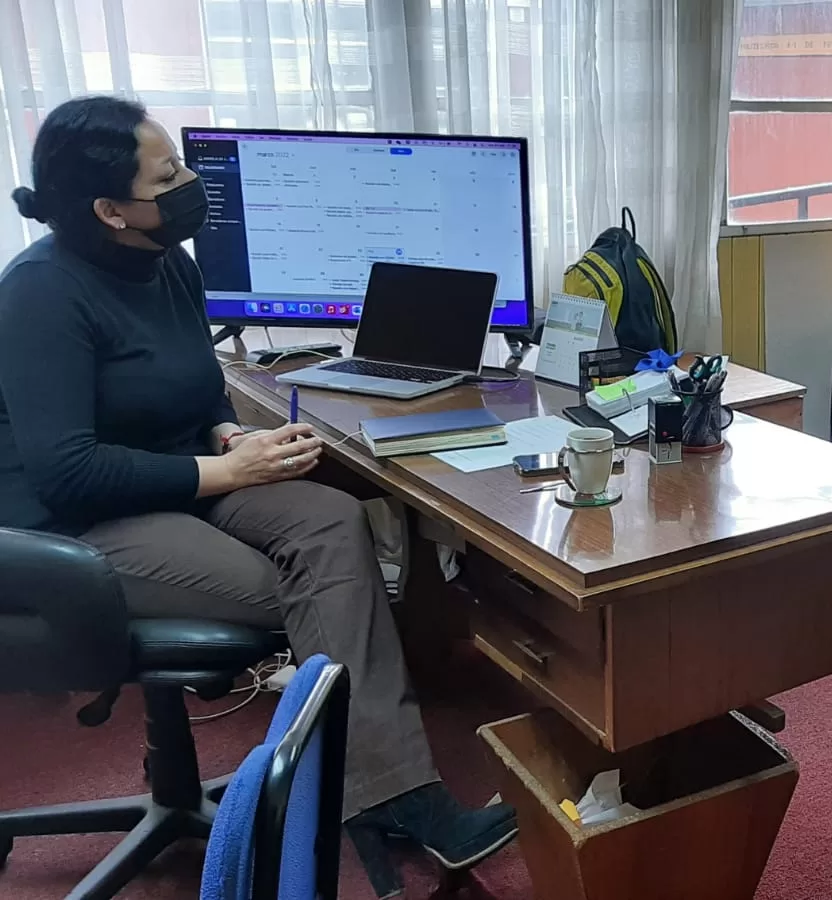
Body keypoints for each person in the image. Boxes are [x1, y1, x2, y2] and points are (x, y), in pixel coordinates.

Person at [0, 96, 515, 897]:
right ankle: (378, 790)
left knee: (334, 522)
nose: (189, 182)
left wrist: (227, 434)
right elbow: (68, 470)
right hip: (73, 526)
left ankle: (386, 792)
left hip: (180, 477)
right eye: (166, 175)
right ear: (110, 210)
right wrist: (228, 474)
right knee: (305, 590)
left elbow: (197, 386)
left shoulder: (168, 262)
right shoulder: (39, 294)